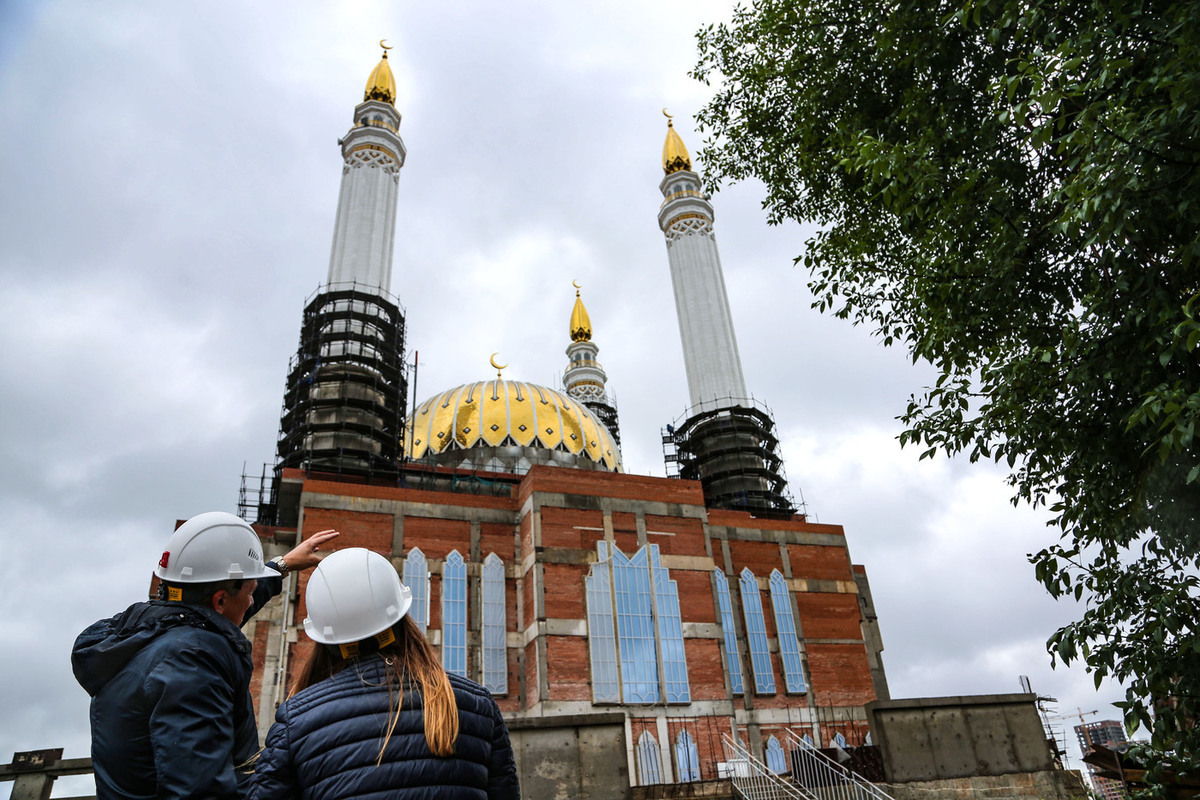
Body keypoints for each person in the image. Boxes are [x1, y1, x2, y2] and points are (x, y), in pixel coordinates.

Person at [72, 511, 339, 800]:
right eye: (250, 591)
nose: (252, 600)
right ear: (220, 600)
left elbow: (220, 613)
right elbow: (198, 789)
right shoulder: (192, 665)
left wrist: (280, 566)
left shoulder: (147, 633)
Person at [249, 547, 521, 800]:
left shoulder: (297, 720)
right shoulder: (477, 704)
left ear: (325, 638)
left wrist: (277, 567)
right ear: (402, 619)